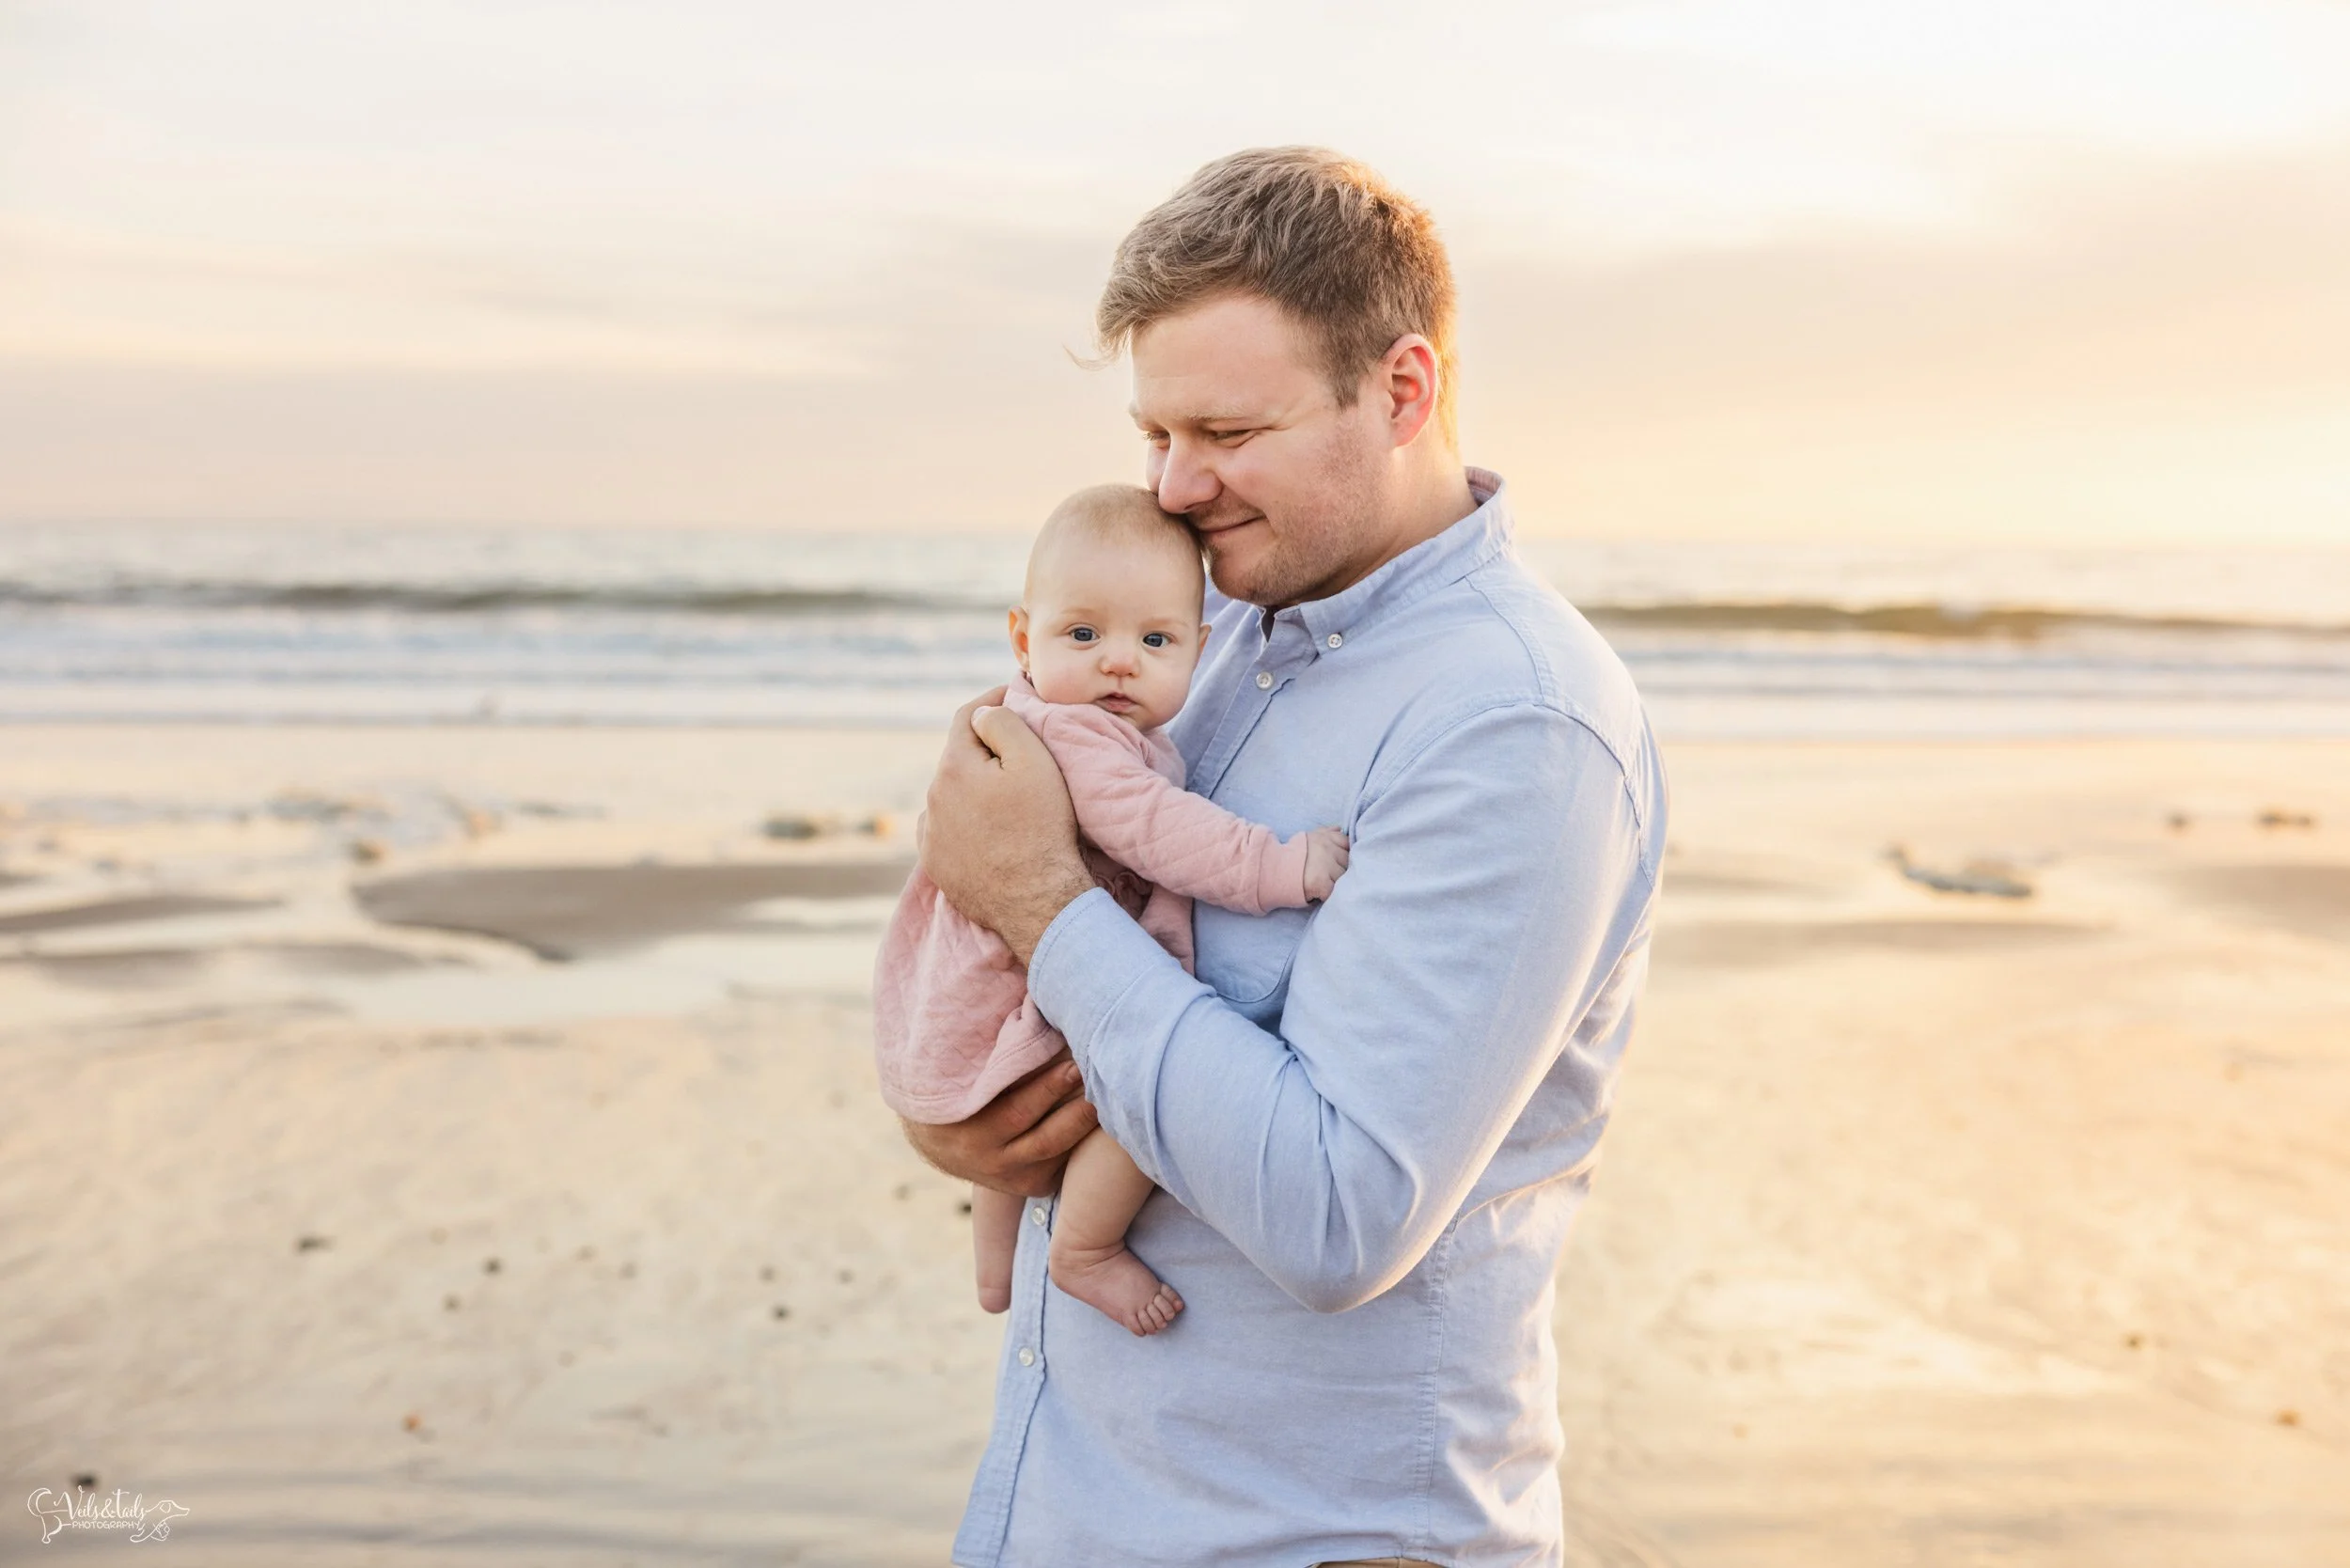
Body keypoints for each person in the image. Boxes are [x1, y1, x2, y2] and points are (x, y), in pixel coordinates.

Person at [910, 147, 1668, 1568]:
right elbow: (1053, 964)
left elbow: (1337, 1214)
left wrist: (1038, 901)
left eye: (1225, 433)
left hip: (1307, 1534)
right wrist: (960, 1117)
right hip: (1079, 1509)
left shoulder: (1515, 723)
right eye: (1154, 436)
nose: (1177, 488)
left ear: (1401, 391)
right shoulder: (1211, 634)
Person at [872, 482, 1350, 1338]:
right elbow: (1160, 830)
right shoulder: (1078, 734)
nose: (1118, 661)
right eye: (1083, 634)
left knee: (1021, 1130)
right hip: (1019, 993)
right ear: (1025, 638)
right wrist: (1279, 867)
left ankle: (994, 1271)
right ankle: (1084, 1250)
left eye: (1154, 639)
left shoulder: (1046, 719)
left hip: (985, 997)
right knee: (1140, 1106)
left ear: (1200, 650)